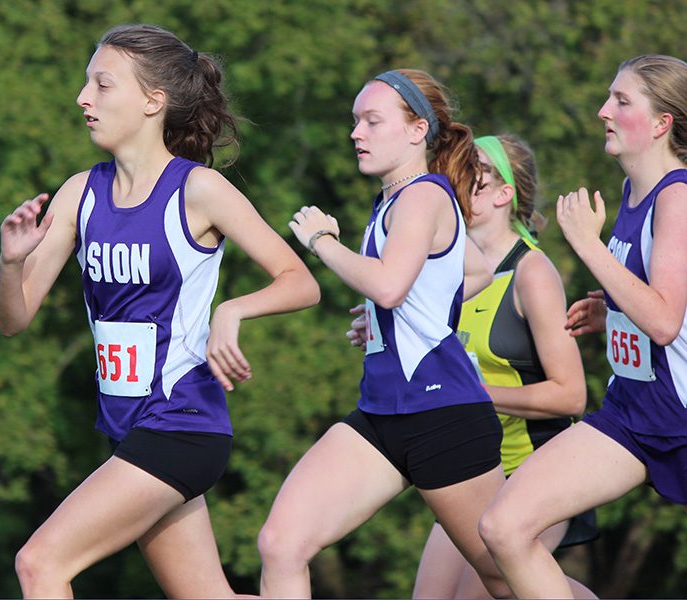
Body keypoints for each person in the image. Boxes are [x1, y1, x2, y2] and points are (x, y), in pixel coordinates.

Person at [0, 24, 319, 599]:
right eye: (85, 84)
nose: (83, 99)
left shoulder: (199, 190)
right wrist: (10, 263)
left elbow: (300, 282)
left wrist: (232, 313)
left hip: (182, 424)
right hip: (130, 430)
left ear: (153, 101)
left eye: (102, 84)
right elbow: (14, 319)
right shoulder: (79, 194)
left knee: (39, 563)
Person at [256, 68, 514, 599]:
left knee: (505, 578)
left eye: (372, 121)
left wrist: (323, 241)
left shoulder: (422, 197)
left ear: (418, 130)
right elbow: (475, 271)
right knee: (281, 543)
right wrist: (385, 319)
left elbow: (392, 286)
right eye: (355, 121)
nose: (356, 133)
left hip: (443, 417)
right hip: (381, 415)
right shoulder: (395, 201)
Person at [479, 54, 687, 598]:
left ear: (662, 123)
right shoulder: (631, 192)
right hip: (632, 414)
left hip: (681, 418)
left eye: (622, 101)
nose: (603, 111)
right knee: (504, 528)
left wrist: (590, 247)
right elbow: (653, 307)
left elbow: (664, 321)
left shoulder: (678, 197)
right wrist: (610, 312)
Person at [404, 134, 596, 599]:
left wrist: (478, 393)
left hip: (536, 470)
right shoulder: (444, 269)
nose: (455, 176)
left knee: (487, 592)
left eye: (474, 170)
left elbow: (571, 396)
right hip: (473, 472)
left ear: (502, 192)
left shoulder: (532, 273)